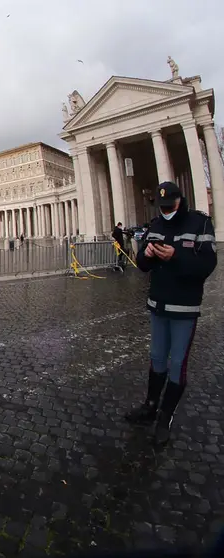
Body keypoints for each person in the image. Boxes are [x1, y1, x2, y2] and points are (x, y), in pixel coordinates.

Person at [125, 181, 217, 445]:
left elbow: (207, 265)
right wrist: (149, 254)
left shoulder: (200, 224)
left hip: (185, 306)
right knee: (156, 357)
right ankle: (150, 406)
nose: (167, 211)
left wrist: (176, 256)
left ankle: (165, 418)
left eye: (171, 206)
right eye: (163, 207)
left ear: (181, 201)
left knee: (177, 362)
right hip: (158, 303)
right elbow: (141, 264)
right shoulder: (155, 224)